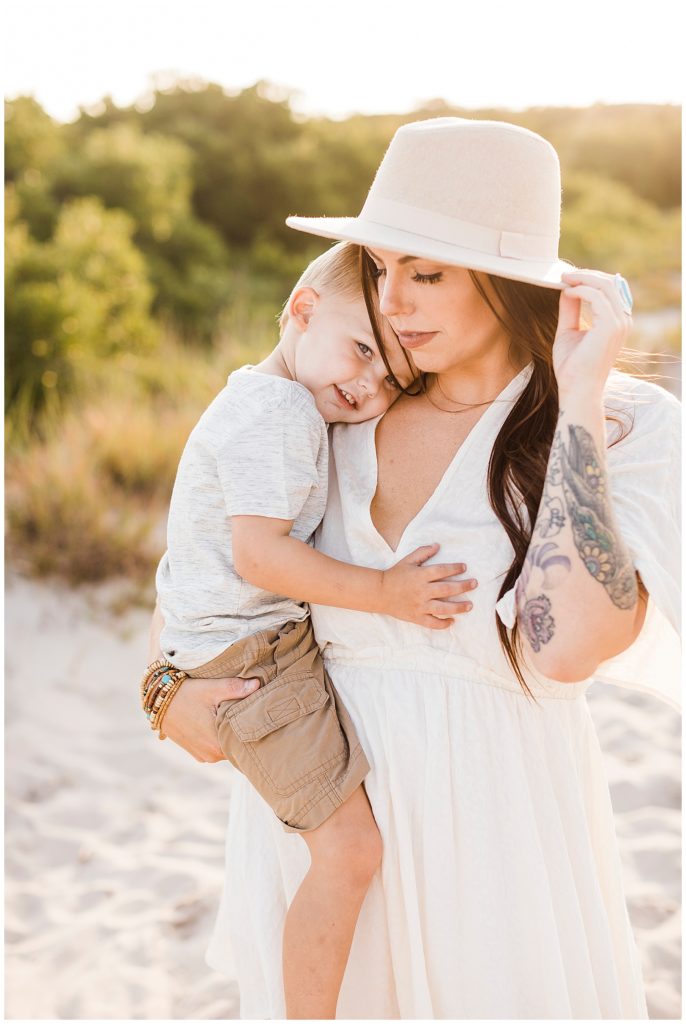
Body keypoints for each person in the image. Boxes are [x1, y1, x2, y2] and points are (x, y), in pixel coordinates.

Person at [150, 118, 680, 1018]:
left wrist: (579, 399)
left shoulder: (626, 425)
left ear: (509, 284)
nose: (392, 302)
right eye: (382, 268)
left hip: (495, 850)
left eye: (425, 273)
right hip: (328, 853)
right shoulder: (331, 403)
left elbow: (564, 647)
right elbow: (212, 565)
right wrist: (164, 690)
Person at [145, 239, 477, 1020]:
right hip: (255, 658)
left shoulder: (261, 395)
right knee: (350, 853)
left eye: (390, 380)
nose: (364, 386)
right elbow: (260, 556)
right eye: (359, 351)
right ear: (300, 311)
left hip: (235, 645)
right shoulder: (283, 411)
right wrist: (387, 593)